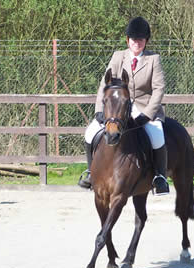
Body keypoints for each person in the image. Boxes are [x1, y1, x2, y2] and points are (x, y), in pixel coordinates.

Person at [78, 16, 169, 195]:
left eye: (141, 39)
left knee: (157, 136)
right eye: (134, 39)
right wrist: (98, 111)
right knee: (90, 133)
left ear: (146, 41)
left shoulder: (153, 59)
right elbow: (104, 85)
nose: (137, 43)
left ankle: (159, 178)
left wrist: (148, 114)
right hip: (119, 107)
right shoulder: (118, 56)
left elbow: (159, 89)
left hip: (144, 107)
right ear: (128, 40)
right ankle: (90, 173)